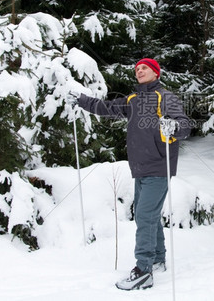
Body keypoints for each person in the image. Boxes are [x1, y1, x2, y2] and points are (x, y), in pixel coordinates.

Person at [72, 58, 191, 291]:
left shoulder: (164, 96)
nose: (140, 71)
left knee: (145, 216)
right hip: (140, 168)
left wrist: (174, 127)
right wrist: (82, 101)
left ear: (156, 72)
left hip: (159, 166)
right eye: (137, 69)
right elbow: (106, 108)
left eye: (144, 68)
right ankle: (157, 258)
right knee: (148, 216)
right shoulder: (133, 100)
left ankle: (144, 271)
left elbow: (183, 123)